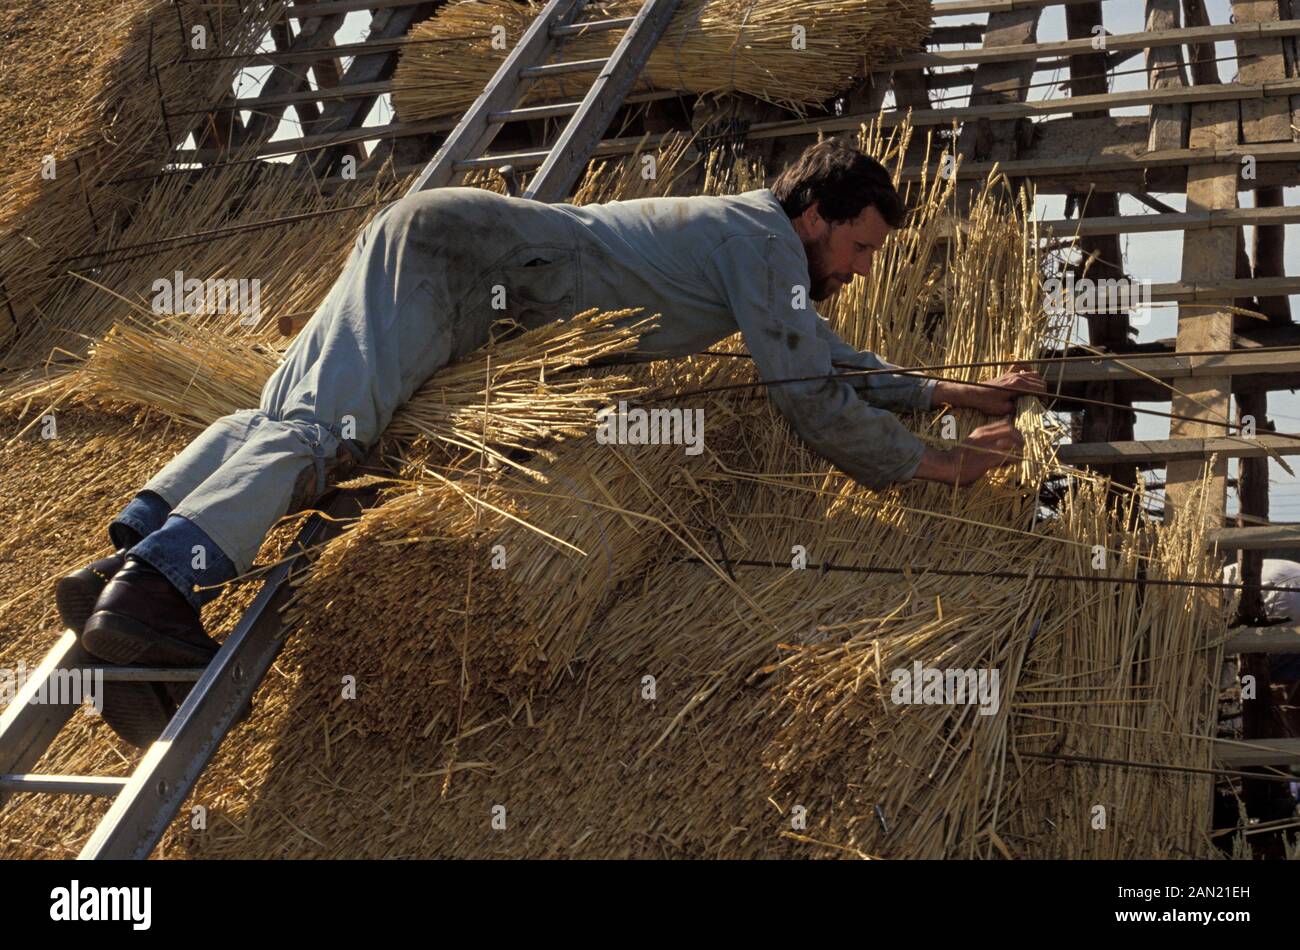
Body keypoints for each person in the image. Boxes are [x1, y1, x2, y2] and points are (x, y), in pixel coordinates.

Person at [55, 137, 1046, 745]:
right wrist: (939, 464)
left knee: (284, 415)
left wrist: (961, 392)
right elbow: (805, 396)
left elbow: (830, 359)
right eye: (861, 244)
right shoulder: (762, 242)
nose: (863, 267)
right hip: (465, 259)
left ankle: (125, 560)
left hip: (446, 239)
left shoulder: (755, 246)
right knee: (330, 436)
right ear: (815, 213)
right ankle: (154, 593)